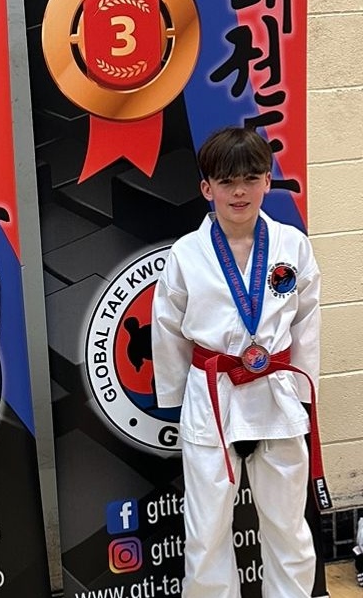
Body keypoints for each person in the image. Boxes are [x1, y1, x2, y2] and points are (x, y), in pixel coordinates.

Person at [151, 126, 329, 598]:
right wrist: (173, 397)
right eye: (227, 181)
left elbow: (306, 323)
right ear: (206, 188)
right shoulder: (186, 255)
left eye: (251, 178)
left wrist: (304, 391)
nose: (239, 191)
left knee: (288, 526)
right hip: (214, 396)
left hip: (277, 393)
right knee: (207, 529)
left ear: (268, 182)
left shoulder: (292, 246)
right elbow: (167, 329)